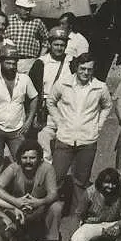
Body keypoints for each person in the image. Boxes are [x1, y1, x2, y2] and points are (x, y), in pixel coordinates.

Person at [47, 53, 112, 206]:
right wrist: (59, 122)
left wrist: (98, 125)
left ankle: (76, 214)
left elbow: (107, 106)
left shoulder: (100, 87)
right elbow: (51, 102)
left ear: (93, 70)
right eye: (82, 68)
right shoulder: (63, 83)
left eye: (89, 69)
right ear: (76, 67)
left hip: (87, 140)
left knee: (81, 182)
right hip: (65, 138)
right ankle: (51, 211)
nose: (85, 72)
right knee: (56, 178)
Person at [0, 139, 64, 241]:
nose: (28, 161)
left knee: (56, 206)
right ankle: (7, 240)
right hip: (16, 209)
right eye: (24, 158)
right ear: (19, 158)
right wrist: (15, 201)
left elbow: (53, 193)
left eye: (32, 158)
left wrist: (39, 202)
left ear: (39, 158)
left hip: (39, 210)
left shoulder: (47, 168)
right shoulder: (14, 167)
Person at [0, 46, 39, 177]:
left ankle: (19, 188)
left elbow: (34, 98)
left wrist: (29, 121)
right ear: (1, 62)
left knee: (21, 163)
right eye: (8, 63)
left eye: (14, 63)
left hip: (17, 130)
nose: (11, 66)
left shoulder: (24, 79)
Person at [29, 26, 74, 158]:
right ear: (50, 44)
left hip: (66, 110)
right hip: (46, 111)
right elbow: (33, 90)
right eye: (56, 44)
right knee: (44, 146)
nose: (59, 48)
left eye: (62, 45)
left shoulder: (72, 62)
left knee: (64, 148)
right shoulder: (41, 63)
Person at [6, 0, 48, 75]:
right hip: (10, 60)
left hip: (29, 62)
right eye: (25, 9)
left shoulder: (37, 22)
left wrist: (40, 57)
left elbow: (47, 40)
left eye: (30, 9)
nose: (28, 12)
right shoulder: (8, 20)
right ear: (18, 7)